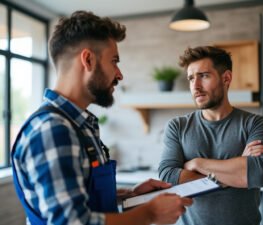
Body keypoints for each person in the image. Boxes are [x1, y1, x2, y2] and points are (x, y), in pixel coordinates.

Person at [11, 11, 193, 225]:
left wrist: (128, 195)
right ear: (88, 60)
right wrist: (150, 213)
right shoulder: (52, 128)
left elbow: (79, 197)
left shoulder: (78, 124)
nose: (119, 74)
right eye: (114, 61)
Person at [158, 46, 263, 225]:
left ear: (226, 78)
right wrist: (237, 171)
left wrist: (196, 164)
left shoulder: (255, 124)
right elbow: (168, 176)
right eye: (191, 78)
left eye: (204, 76)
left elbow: (258, 174)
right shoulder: (177, 127)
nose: (195, 86)